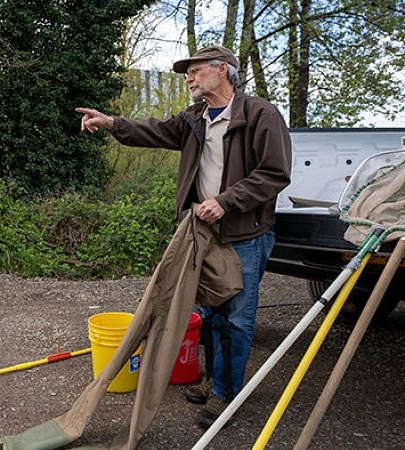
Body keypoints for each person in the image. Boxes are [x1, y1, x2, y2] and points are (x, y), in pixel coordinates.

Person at [76, 45, 291, 430]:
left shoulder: (260, 114)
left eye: (194, 71)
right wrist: (111, 123)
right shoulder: (196, 117)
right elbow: (154, 130)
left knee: (237, 319)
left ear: (221, 70)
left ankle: (227, 395)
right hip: (204, 234)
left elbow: (274, 174)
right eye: (187, 73)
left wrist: (226, 201)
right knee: (210, 312)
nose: (188, 78)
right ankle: (215, 380)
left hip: (245, 234)